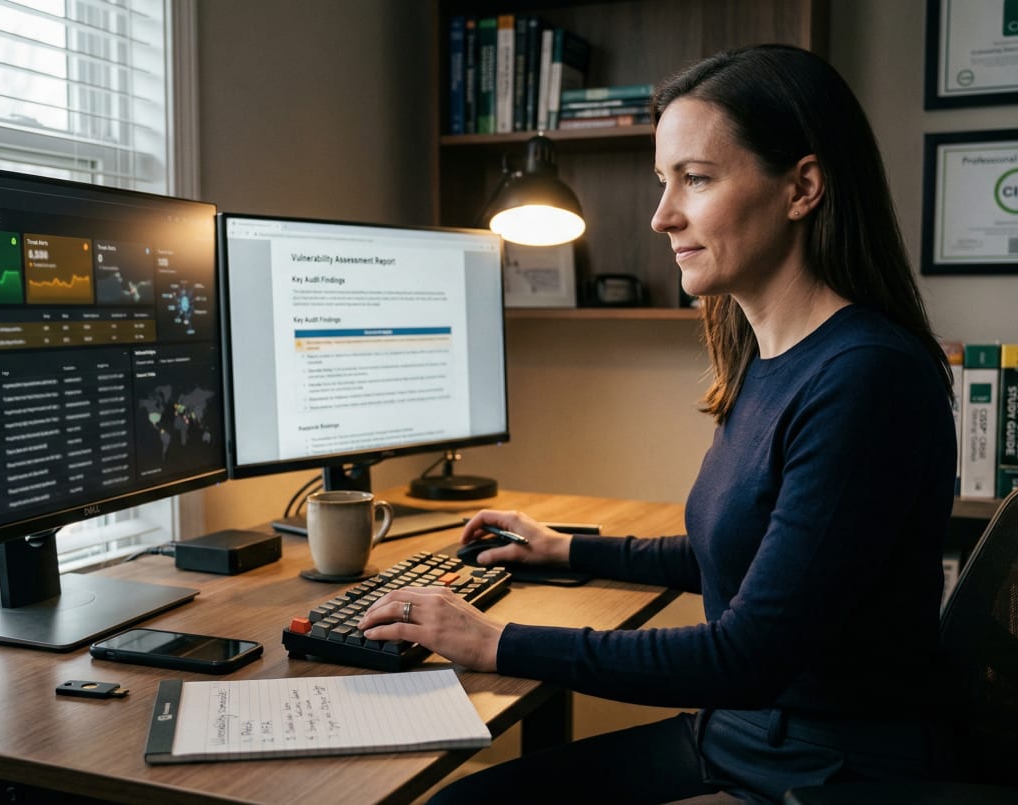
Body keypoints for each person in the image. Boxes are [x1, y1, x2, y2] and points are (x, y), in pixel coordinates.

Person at [359, 43, 957, 804]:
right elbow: (741, 550)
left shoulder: (865, 379)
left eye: (696, 179)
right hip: (743, 734)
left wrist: (493, 641)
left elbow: (747, 653)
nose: (661, 214)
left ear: (802, 187)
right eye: (663, 181)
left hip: (820, 770)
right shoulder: (767, 355)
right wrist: (565, 547)